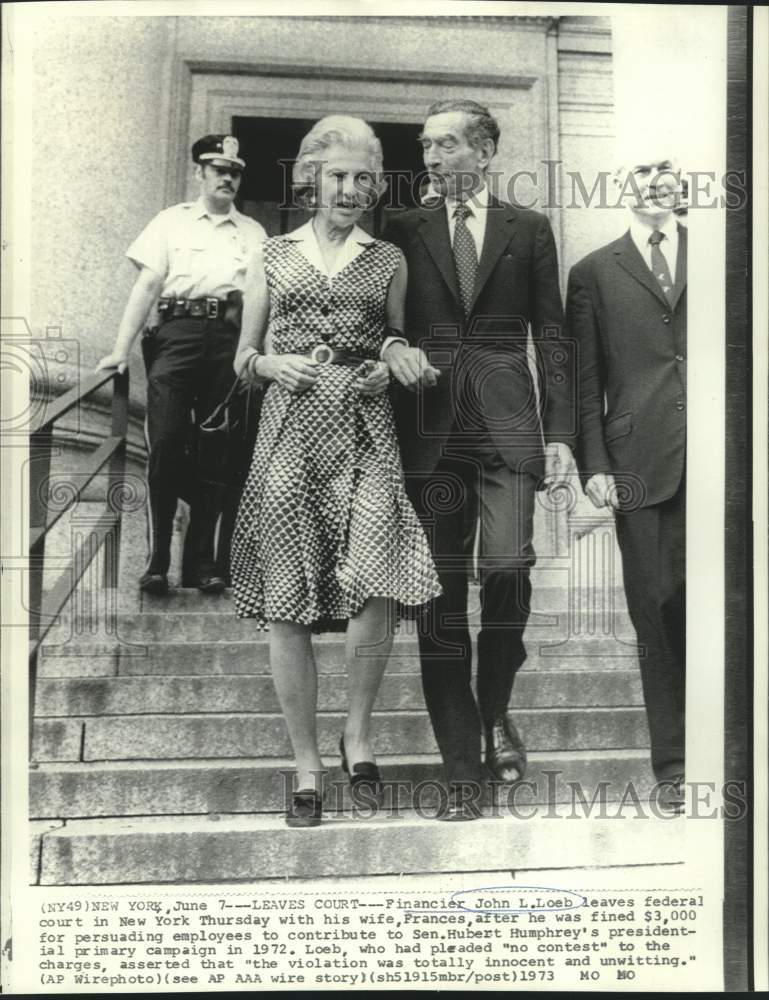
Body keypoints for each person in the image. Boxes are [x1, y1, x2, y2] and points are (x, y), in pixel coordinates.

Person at [230, 116, 441, 828]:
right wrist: (266, 364)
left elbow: (392, 332)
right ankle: (306, 765)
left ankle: (358, 735)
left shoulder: (385, 259)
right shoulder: (271, 253)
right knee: (287, 599)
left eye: (362, 178)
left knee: (374, 583)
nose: (349, 189)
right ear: (310, 179)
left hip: (364, 427)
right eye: (337, 176)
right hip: (288, 434)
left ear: (376, 186)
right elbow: (242, 355)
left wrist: (391, 359)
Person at [381, 99, 576, 820]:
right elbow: (383, 320)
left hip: (505, 427)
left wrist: (559, 433)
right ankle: (461, 765)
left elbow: (551, 334)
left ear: (485, 151)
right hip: (428, 431)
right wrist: (393, 349)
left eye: (446, 145)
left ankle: (493, 707)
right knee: (437, 602)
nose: (431, 159)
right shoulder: (401, 228)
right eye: (425, 146)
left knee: (506, 569)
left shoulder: (529, 229)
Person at [566, 152, 686, 813]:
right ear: (622, 185)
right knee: (657, 612)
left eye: (667, 171)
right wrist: (595, 466)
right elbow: (584, 381)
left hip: (722, 463)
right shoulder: (592, 274)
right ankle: (673, 767)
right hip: (639, 465)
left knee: (727, 609)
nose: (655, 184)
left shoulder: (726, 254)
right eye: (641, 172)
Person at [97, 135, 266, 594]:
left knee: (217, 454)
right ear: (200, 173)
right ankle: (157, 562)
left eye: (235, 170)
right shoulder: (170, 222)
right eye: (218, 169)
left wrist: (257, 357)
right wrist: (120, 349)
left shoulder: (252, 233)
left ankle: (205, 566)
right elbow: (148, 286)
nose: (228, 177)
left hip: (229, 343)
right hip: (176, 336)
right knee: (167, 441)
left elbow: (260, 302)